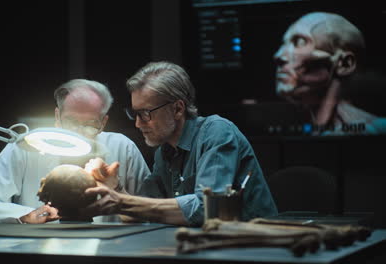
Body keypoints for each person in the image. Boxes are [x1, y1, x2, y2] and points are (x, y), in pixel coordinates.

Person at [83, 61, 278, 226]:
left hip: (257, 249)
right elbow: (139, 212)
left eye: (146, 113)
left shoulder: (217, 132)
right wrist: (114, 188)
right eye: (135, 114)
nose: (138, 123)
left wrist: (121, 201)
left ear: (177, 109)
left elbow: (207, 209)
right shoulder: (164, 151)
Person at [0, 79, 151, 224]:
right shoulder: (29, 146)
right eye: (71, 122)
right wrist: (26, 215)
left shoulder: (122, 148)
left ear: (103, 123)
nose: (79, 132)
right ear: (57, 117)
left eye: (90, 124)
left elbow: (153, 211)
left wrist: (117, 190)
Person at [273, 11, 386, 135]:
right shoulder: (298, 129)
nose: (278, 56)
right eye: (284, 44)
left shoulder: (376, 129)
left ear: (345, 64)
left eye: (300, 42)